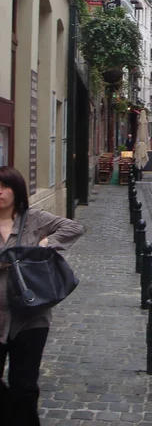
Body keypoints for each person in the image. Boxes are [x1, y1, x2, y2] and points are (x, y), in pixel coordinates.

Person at [0, 166, 84, 425]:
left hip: (31, 316)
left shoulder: (33, 218)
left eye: (3, 187)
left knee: (24, 385)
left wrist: (43, 245)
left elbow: (73, 227)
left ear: (17, 191)